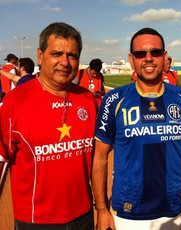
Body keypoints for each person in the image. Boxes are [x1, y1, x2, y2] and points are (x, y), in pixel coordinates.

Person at [92, 27, 181, 230]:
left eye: (155, 52)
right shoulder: (114, 100)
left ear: (164, 56)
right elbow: (100, 157)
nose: (148, 58)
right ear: (131, 59)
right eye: (140, 54)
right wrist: (101, 209)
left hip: (173, 209)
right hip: (129, 211)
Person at [0, 22, 97, 229]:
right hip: (36, 220)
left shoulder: (88, 100)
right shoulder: (15, 101)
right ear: (40, 55)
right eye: (57, 54)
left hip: (84, 215)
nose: (65, 62)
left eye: (72, 55)